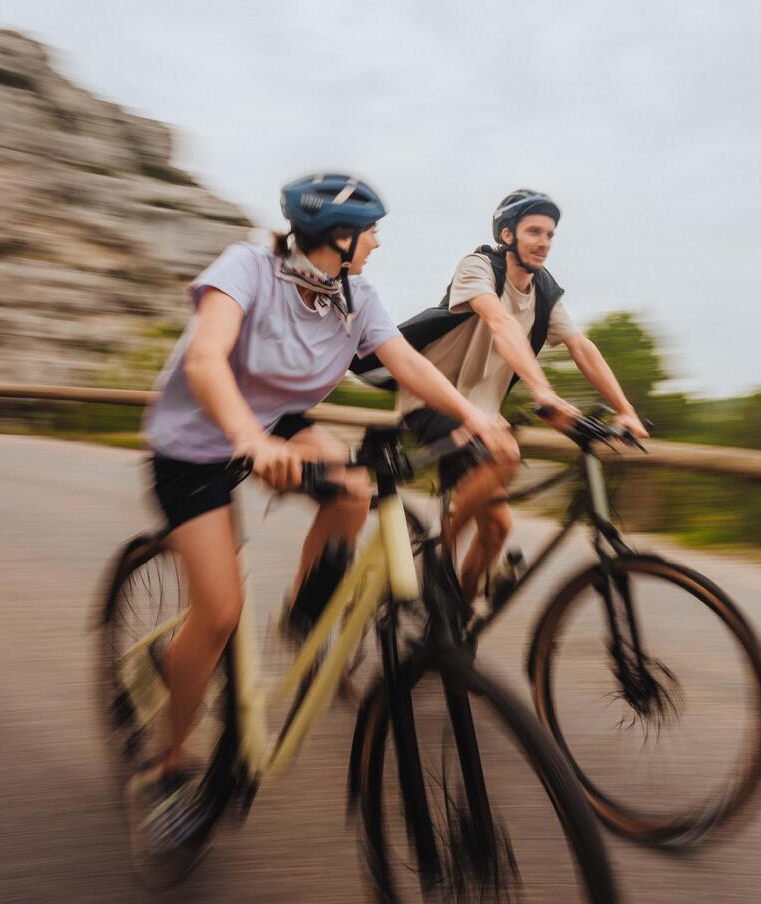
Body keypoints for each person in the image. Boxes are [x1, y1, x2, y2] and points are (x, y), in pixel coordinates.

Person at [134, 171, 516, 849]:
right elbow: (205, 360)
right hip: (194, 445)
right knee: (219, 611)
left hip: (272, 425)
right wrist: (246, 439)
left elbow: (408, 365)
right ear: (338, 237)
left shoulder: (352, 297)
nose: (376, 244)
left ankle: (306, 612)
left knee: (359, 485)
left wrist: (473, 418)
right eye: (371, 233)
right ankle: (167, 765)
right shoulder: (248, 269)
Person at [360, 189, 648, 603]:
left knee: (498, 530)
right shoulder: (479, 267)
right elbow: (498, 321)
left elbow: (580, 347)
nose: (544, 242)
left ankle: (454, 621)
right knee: (506, 456)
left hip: (484, 416)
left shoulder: (545, 292)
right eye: (534, 231)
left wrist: (625, 409)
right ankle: (439, 560)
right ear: (508, 234)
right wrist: (543, 393)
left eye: (550, 234)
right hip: (433, 402)